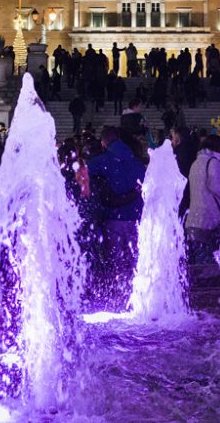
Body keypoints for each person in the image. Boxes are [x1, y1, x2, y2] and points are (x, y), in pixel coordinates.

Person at [87, 126, 146, 307]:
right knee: (133, 260)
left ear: (103, 142)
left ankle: (117, 299)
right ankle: (135, 298)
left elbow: (82, 175)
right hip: (136, 218)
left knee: (115, 261)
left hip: (113, 218)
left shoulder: (101, 161)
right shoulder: (137, 162)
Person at [186, 135, 220, 263]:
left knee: (198, 262)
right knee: (210, 263)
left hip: (194, 220)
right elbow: (216, 187)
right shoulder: (213, 162)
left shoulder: (195, 163)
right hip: (209, 220)